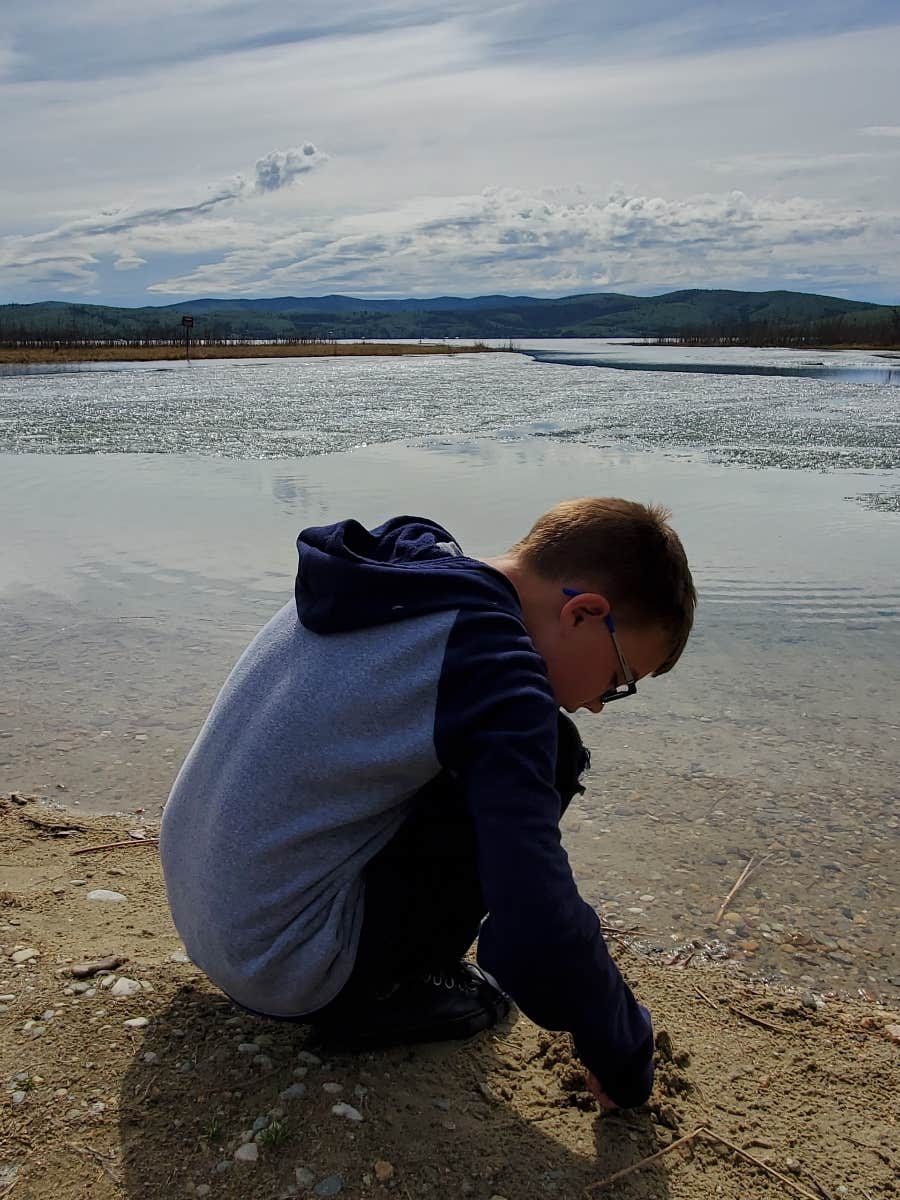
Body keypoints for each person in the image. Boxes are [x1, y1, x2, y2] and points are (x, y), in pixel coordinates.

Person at [160, 497, 696, 1110]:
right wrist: (622, 1049)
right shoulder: (494, 668)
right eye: (619, 678)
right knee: (552, 754)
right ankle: (393, 994)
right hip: (288, 967)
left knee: (496, 750)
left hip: (207, 912)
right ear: (583, 612)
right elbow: (536, 924)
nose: (602, 701)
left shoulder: (402, 568)